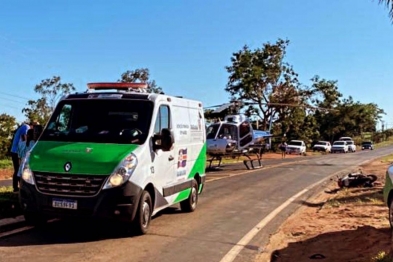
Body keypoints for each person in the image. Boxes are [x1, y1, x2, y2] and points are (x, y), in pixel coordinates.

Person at [9, 120, 31, 192]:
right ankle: (18, 187)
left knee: (17, 169)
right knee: (19, 170)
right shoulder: (26, 127)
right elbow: (24, 138)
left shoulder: (21, 127)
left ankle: (16, 187)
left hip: (14, 151)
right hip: (17, 151)